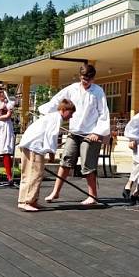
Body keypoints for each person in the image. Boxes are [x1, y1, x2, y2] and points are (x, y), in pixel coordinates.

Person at [39, 64, 110, 206]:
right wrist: (44, 111)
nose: (85, 81)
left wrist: (97, 132)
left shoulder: (98, 92)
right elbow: (58, 101)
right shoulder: (72, 89)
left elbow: (103, 113)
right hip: (74, 132)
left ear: (93, 79)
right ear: (80, 76)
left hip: (90, 134)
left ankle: (92, 196)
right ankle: (56, 191)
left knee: (87, 165)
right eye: (84, 78)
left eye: (88, 79)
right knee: (66, 160)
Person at [17, 99, 76, 212]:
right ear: (63, 110)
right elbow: (51, 136)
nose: (71, 116)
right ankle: (26, 201)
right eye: (71, 113)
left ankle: (31, 200)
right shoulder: (56, 118)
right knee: (35, 174)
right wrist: (52, 152)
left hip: (29, 145)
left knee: (28, 174)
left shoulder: (52, 116)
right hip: (34, 147)